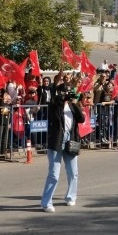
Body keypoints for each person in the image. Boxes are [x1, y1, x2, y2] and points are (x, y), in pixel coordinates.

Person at [40, 83, 86, 212]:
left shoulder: (72, 106)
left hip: (70, 141)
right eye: (65, 91)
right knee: (54, 174)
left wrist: (75, 103)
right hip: (57, 141)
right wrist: (63, 100)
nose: (68, 93)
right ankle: (46, 203)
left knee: (73, 172)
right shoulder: (54, 104)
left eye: (69, 91)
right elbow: (55, 115)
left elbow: (81, 119)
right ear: (60, 93)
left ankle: (71, 196)